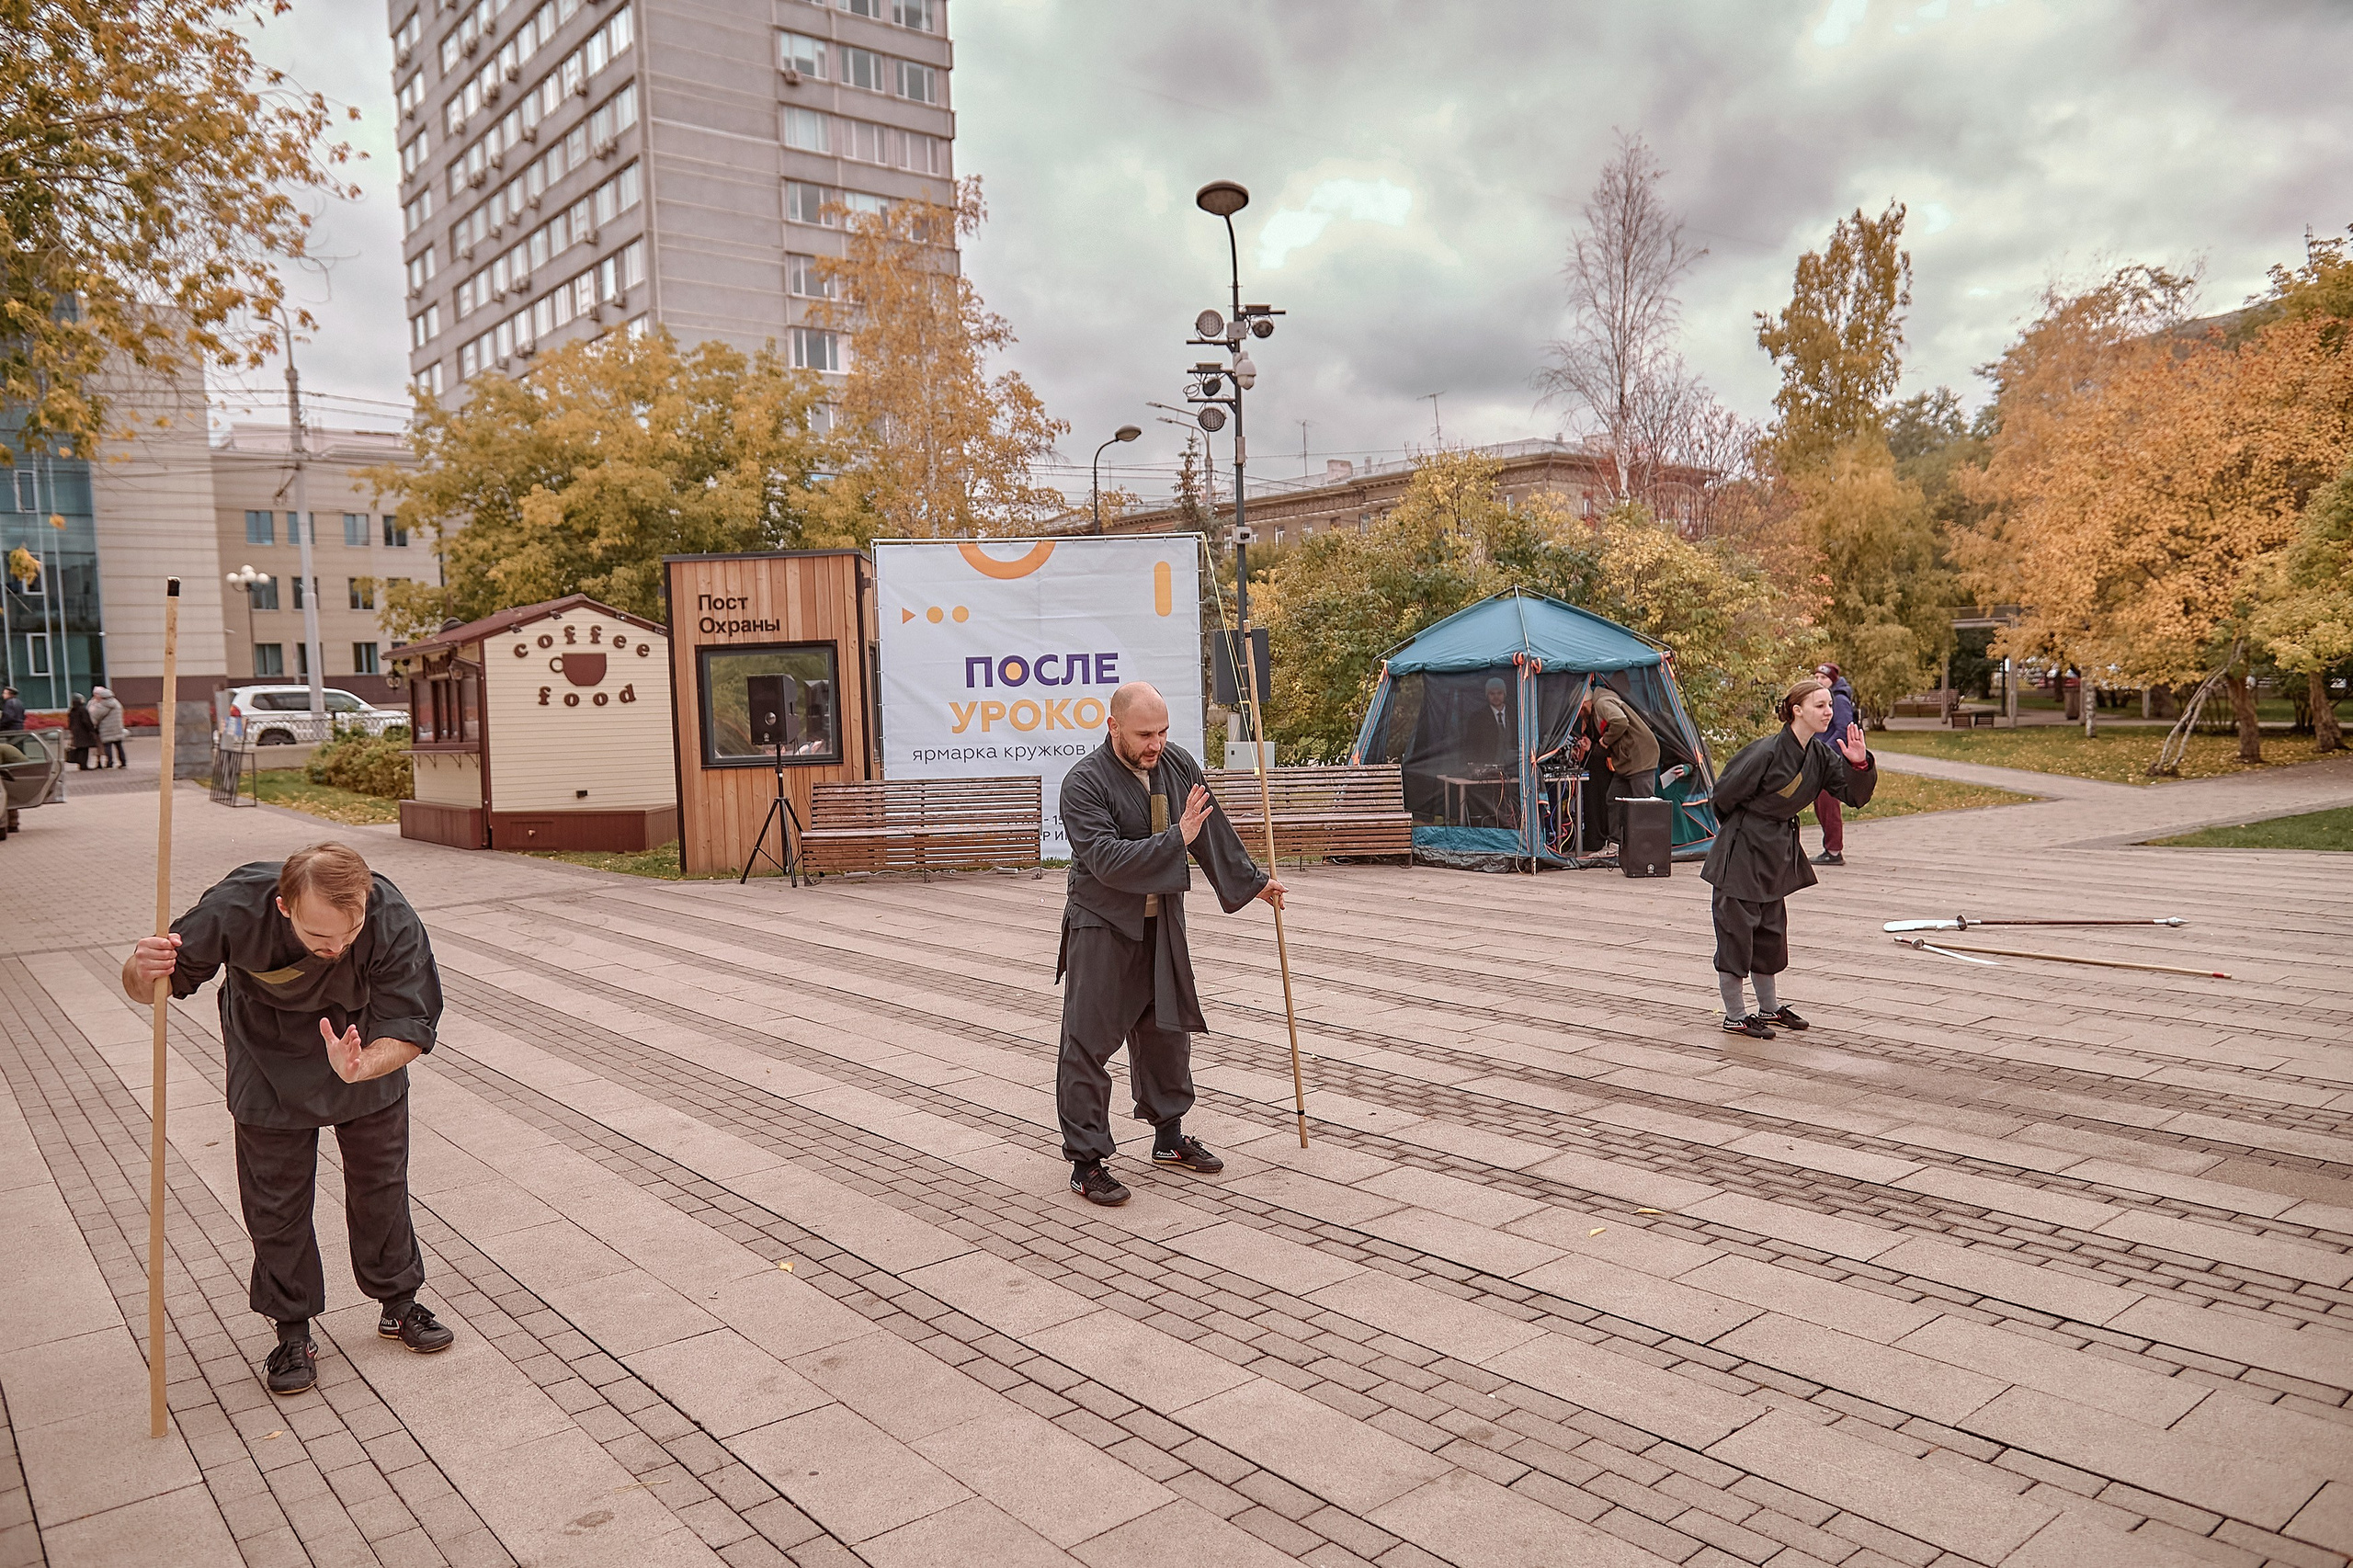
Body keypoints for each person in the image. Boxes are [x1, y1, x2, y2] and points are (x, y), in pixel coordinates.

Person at [121, 842, 454, 1396]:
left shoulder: (390, 916)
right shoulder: (234, 908)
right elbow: (150, 986)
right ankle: (292, 1329)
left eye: (349, 934)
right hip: (266, 1055)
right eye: (320, 936)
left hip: (359, 1047)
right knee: (276, 1198)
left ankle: (399, 1303)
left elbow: (411, 1023)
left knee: (382, 1182)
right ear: (283, 907)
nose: (336, 947)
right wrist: (140, 967)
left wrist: (361, 1066)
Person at [1055, 682, 1283, 1206]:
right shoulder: (1084, 784)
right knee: (1088, 1043)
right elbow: (1107, 860)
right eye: (1144, 734)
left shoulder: (1177, 764)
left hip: (1162, 924)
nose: (1155, 744)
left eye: (1162, 732)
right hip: (1103, 927)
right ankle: (1087, 1163)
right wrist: (1175, 839)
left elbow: (1209, 828)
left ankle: (1168, 1137)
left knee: (1166, 1032)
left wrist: (1250, 881)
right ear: (1112, 727)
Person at [1701, 676, 1876, 1040]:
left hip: (1777, 850)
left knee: (1770, 932)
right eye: (1820, 706)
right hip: (1743, 849)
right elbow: (1724, 795)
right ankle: (1735, 1014)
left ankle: (1768, 1008)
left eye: (1830, 705)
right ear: (1797, 710)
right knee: (1736, 932)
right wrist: (1744, 828)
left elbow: (1853, 796)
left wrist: (1859, 766)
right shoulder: (1764, 752)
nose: (1828, 712)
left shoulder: (1820, 755)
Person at [1571, 684, 1661, 858]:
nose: (1580, 714)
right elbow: (1612, 744)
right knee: (1613, 798)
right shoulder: (1597, 711)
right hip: (1626, 762)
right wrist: (1592, 748)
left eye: (1579, 710)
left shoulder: (1603, 703)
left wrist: (1605, 739)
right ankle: (1615, 845)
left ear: (1583, 703)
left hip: (1640, 757)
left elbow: (1620, 722)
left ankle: (1649, 850)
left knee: (1644, 803)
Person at [1810, 662, 1859, 866]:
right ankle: (1830, 847)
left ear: (1833, 680)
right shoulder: (1828, 698)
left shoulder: (1839, 700)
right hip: (1823, 756)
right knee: (1821, 803)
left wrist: (1825, 752)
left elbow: (1844, 729)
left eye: (1823, 678)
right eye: (1817, 677)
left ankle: (1833, 850)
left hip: (1832, 759)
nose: (1819, 681)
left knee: (1828, 803)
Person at [89, 685, 126, 768]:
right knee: (119, 746)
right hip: (117, 728)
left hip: (107, 729)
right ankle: (123, 762)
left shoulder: (103, 705)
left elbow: (96, 716)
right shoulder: (116, 702)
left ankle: (109, 763)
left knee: (108, 747)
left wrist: (92, 724)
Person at [66, 693, 97, 768]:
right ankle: (84, 765)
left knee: (79, 748)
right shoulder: (82, 709)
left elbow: (70, 722)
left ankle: (81, 764)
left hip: (76, 731)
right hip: (83, 731)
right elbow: (86, 721)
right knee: (84, 749)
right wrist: (92, 729)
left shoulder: (72, 710)